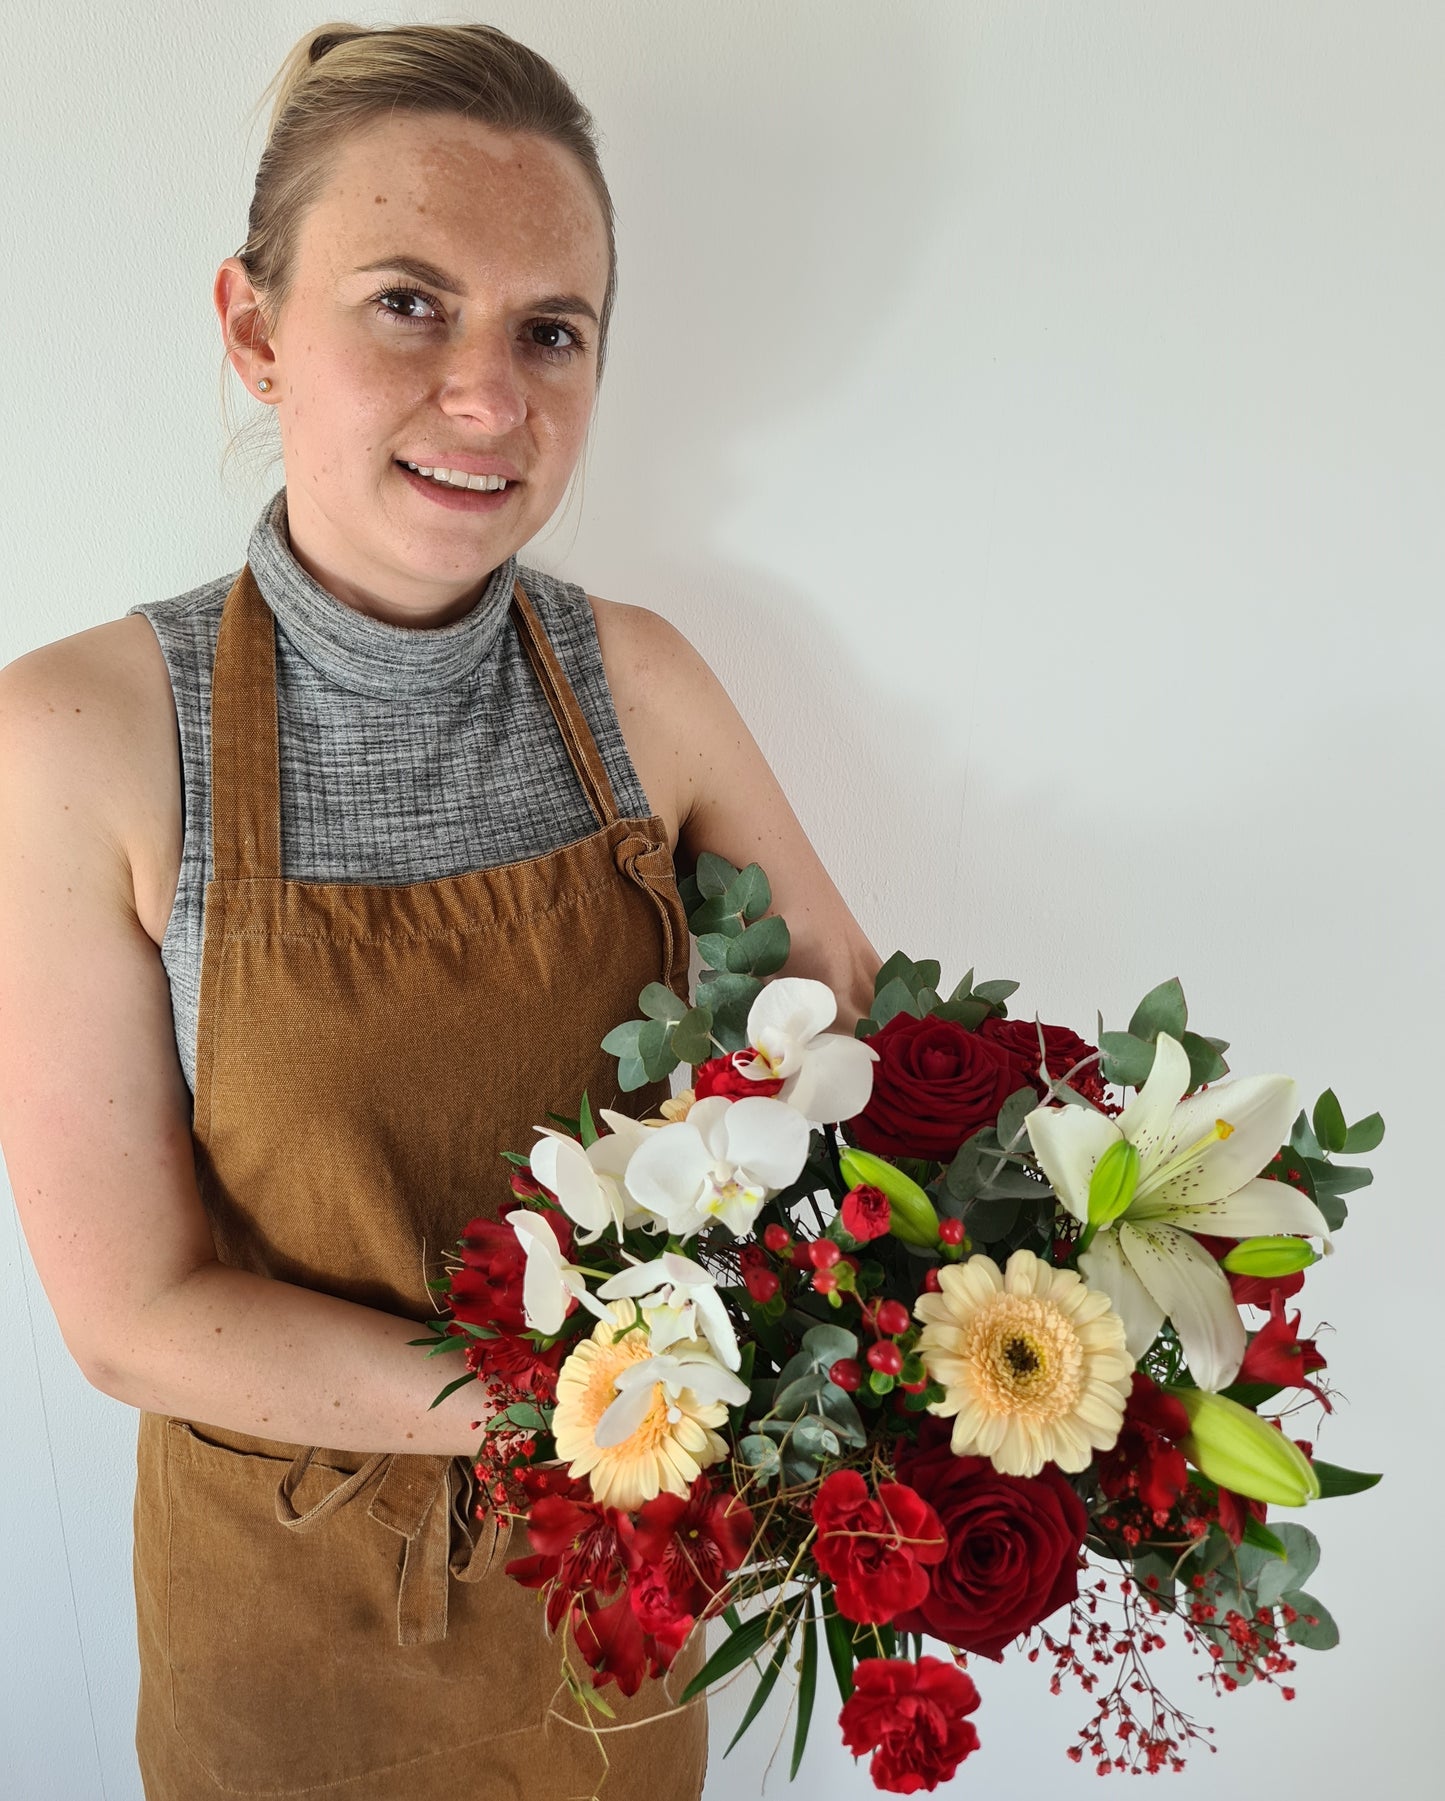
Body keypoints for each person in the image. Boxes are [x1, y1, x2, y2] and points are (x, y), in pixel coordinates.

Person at [0, 19, 882, 1801]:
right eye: (408, 302)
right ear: (254, 328)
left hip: (625, 1615)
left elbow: (835, 999)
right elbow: (134, 1312)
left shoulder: (640, 683)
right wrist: (601, 1405)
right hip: (297, 1625)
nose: (493, 397)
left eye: (550, 331)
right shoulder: (81, 736)